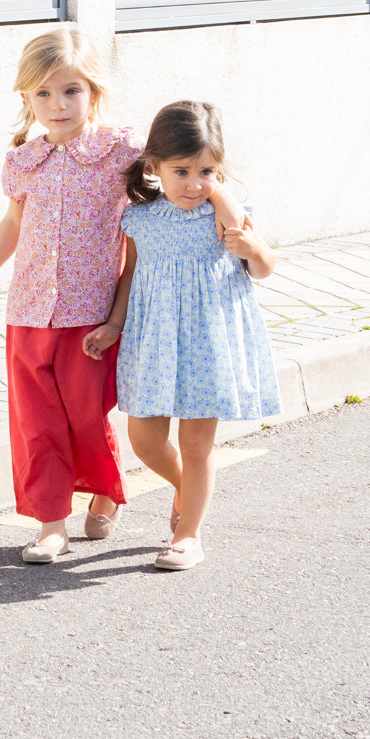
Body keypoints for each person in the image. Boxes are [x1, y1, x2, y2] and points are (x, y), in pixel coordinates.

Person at [0, 30, 245, 564]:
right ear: (26, 99)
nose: (57, 105)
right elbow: (14, 220)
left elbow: (192, 167)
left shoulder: (122, 152)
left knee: (88, 416)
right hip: (29, 310)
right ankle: (50, 523)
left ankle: (109, 490)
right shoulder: (23, 161)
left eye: (70, 91)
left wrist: (224, 198)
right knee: (36, 422)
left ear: (93, 91)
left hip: (92, 313)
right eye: (42, 94)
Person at [83, 100, 280, 571]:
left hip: (207, 342)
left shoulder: (229, 215)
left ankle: (188, 534)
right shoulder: (139, 218)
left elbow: (263, 269)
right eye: (182, 171)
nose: (195, 183)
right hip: (153, 341)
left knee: (197, 446)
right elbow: (130, 274)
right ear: (154, 168)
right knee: (145, 440)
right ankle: (183, 487)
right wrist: (114, 324)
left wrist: (254, 247)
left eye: (207, 171)